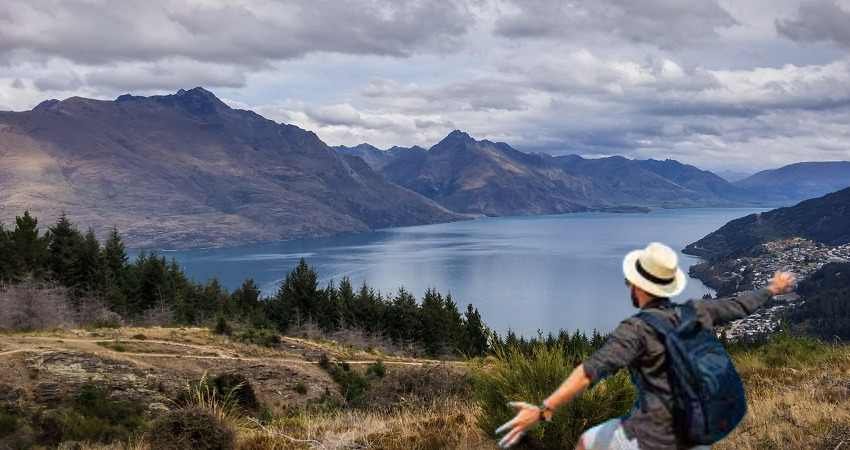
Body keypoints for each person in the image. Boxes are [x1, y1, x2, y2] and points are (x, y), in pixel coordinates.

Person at [495, 242, 795, 450]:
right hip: (698, 433)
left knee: (587, 442)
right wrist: (773, 288)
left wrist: (544, 410)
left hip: (650, 438)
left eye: (630, 280)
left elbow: (590, 372)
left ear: (638, 287)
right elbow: (739, 305)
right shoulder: (698, 311)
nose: (628, 284)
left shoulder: (636, 330)